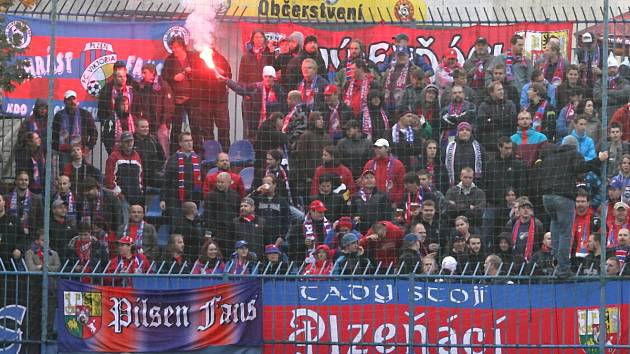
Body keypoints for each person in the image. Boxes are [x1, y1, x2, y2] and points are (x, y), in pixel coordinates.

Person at [538, 135, 608, 278]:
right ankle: (563, 269)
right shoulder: (574, 154)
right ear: (575, 146)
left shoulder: (550, 157)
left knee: (555, 229)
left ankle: (556, 262)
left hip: (546, 198)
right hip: (563, 197)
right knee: (565, 233)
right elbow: (581, 168)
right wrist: (598, 160)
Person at [482, 137, 525, 247]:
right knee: (489, 234)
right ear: (499, 147)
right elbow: (486, 183)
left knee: (508, 234)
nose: (509, 150)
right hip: (493, 205)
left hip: (510, 207)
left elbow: (521, 185)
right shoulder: (490, 164)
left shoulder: (518, 164)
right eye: (506, 148)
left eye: (510, 148)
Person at [226, 65, 286, 137]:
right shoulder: (256, 88)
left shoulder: (279, 90)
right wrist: (228, 81)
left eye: (270, 77)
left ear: (274, 78)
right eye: (266, 76)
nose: (268, 79)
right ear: (263, 77)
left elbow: (283, 108)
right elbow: (241, 89)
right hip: (256, 126)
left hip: (273, 128)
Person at [160, 133, 203, 225]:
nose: (189, 143)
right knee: (177, 226)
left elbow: (200, 180)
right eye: (186, 141)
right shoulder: (173, 159)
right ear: (180, 143)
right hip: (176, 199)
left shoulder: (198, 159)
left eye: (191, 140)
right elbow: (166, 181)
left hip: (193, 198)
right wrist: (163, 199)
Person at [133, 62, 174, 156]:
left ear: (152, 72)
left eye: (144, 72)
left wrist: (164, 122)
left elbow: (168, 106)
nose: (142, 75)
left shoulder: (163, 85)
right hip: (147, 125)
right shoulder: (141, 87)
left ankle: (164, 168)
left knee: (163, 148)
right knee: (148, 149)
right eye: (142, 72)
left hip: (161, 124)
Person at [104, 132, 144, 225]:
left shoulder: (137, 156)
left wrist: (140, 192)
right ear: (121, 142)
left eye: (131, 141)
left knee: (136, 223)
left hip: (135, 196)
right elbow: (109, 178)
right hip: (121, 197)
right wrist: (119, 193)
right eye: (126, 141)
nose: (129, 143)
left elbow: (140, 176)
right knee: (124, 223)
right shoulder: (114, 156)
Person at [52, 90, 98, 168]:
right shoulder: (59, 116)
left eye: (73, 99)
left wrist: (89, 147)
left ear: (77, 100)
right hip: (65, 152)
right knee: (65, 174)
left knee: (82, 173)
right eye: (69, 100)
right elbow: (54, 134)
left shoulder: (85, 114)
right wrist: (58, 148)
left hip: (82, 151)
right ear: (65, 102)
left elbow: (94, 132)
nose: (72, 102)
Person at [292, 111, 333, 197]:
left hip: (325, 176)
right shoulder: (306, 136)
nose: (321, 121)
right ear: (313, 121)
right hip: (310, 178)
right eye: (318, 119)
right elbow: (301, 158)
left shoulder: (327, 137)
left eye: (322, 119)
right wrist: (305, 177)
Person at [78, 177, 121, 253]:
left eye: (88, 190)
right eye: (84, 191)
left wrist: (114, 234)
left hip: (108, 235)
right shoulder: (83, 199)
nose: (86, 193)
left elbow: (118, 218)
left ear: (96, 188)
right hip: (89, 236)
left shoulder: (110, 196)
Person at [203, 172, 241, 252]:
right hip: (218, 232)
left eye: (222, 182)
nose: (219, 184)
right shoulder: (211, 196)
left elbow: (238, 214)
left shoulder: (235, 196)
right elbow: (208, 216)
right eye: (218, 182)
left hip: (232, 232)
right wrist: (213, 232)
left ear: (229, 182)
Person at [476, 81, 517, 152]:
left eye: (502, 89)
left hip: (507, 146)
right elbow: (482, 125)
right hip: (489, 146)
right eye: (499, 90)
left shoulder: (510, 104)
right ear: (491, 93)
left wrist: (491, 120)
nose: (502, 92)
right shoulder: (483, 106)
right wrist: (503, 120)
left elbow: (512, 122)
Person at [362, 138, 406, 205]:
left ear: (387, 149)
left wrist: (396, 202)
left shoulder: (398, 165)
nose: (377, 150)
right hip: (372, 203)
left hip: (390, 203)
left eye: (379, 148)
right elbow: (363, 184)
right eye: (375, 148)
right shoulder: (369, 164)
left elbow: (401, 186)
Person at [252, 174, 291, 245]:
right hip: (260, 237)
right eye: (264, 184)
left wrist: (282, 237)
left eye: (268, 183)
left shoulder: (282, 201)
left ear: (274, 185)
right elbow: (246, 202)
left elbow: (287, 220)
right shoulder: (258, 199)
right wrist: (257, 191)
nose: (266, 186)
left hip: (275, 238)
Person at [504, 198, 544, 268]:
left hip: (532, 263)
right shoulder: (512, 224)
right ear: (518, 211)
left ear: (531, 211)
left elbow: (540, 242)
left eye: (528, 208)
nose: (526, 210)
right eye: (523, 208)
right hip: (515, 261)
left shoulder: (537, 224)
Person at [444, 122, 485, 187]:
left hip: (474, 184)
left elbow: (484, 164)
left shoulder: (478, 147)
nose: (464, 132)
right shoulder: (450, 147)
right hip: (455, 184)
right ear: (458, 133)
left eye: (467, 130)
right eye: (462, 130)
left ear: (471, 133)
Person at [6, 171, 43, 237]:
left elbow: (40, 219)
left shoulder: (36, 199)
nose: (24, 182)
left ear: (28, 182)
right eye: (21, 180)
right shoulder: (7, 198)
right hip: (11, 234)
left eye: (26, 180)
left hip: (30, 235)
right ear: (16, 181)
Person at [133, 118, 166, 190]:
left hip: (152, 174)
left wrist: (156, 167)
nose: (145, 129)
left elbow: (162, 157)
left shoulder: (153, 139)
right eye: (143, 127)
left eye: (147, 127)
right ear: (136, 128)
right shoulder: (131, 141)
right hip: (136, 175)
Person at [382, 50, 416, 115]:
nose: (401, 58)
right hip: (389, 103)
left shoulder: (413, 69)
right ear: (396, 57)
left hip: (405, 104)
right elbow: (382, 84)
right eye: (399, 56)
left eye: (403, 56)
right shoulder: (389, 70)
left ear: (408, 57)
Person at [463, 36, 494, 104]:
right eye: (478, 45)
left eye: (483, 45)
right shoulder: (468, 63)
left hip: (489, 93)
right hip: (473, 94)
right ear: (475, 47)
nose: (480, 47)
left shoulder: (493, 60)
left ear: (487, 47)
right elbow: (464, 79)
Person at [0, 194, 24, 262]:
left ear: (4, 202)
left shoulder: (14, 219)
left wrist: (18, 249)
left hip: (11, 261)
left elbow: (22, 236)